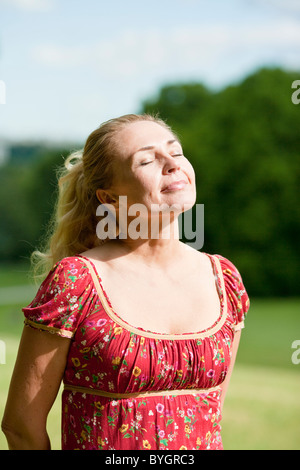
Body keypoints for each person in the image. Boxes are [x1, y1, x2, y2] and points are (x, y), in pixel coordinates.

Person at [1, 114, 249, 450]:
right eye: (146, 160)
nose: (171, 164)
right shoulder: (77, 281)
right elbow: (21, 426)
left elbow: (211, 413)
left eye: (175, 152)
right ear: (110, 197)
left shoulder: (224, 280)